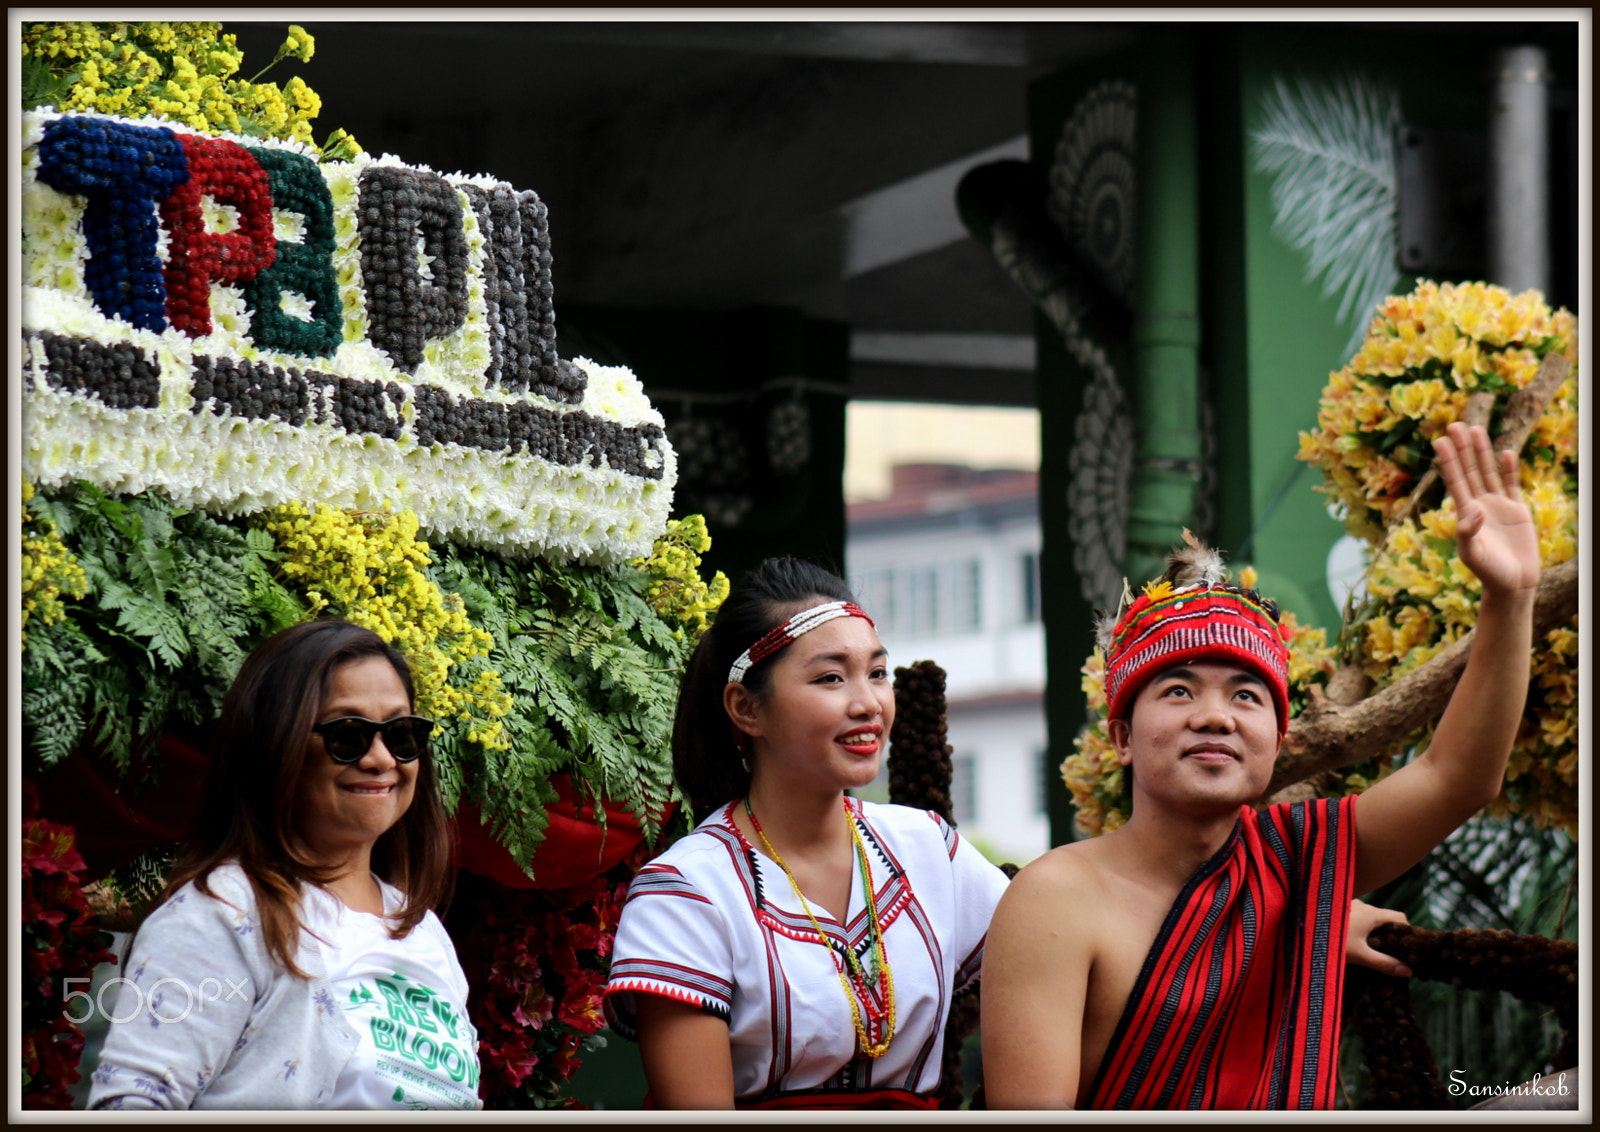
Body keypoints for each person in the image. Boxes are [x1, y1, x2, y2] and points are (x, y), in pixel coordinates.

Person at [982, 422, 1539, 1110]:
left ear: (1278, 741)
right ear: (1122, 737)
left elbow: (1457, 777)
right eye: (1179, 690)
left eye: (1246, 696)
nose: (1215, 716)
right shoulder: (1054, 899)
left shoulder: (1296, 863)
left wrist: (1510, 599)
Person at [602, 557, 1012, 1109]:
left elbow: (1058, 973)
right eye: (830, 678)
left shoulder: (930, 851)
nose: (868, 703)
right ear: (746, 708)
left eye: (877, 673)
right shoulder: (689, 890)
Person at [87, 619, 481, 1110]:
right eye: (348, 734)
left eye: (401, 733)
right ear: (276, 746)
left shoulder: (421, 930)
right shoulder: (221, 915)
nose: (382, 758)